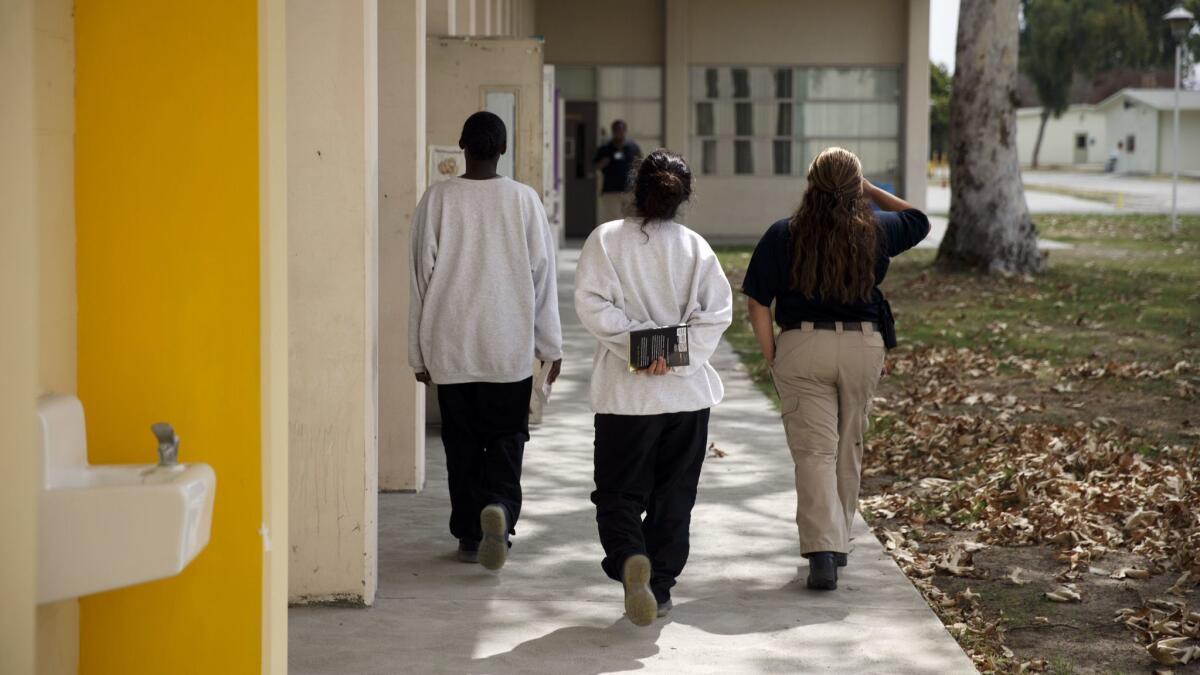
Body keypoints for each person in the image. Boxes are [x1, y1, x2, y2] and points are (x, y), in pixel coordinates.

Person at [741, 147, 929, 591]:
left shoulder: (782, 234)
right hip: (863, 346)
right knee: (848, 445)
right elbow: (919, 219)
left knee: (814, 451)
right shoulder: (878, 229)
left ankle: (822, 551)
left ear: (811, 185)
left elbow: (756, 302)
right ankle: (837, 542)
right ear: (854, 188)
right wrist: (866, 188)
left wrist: (773, 355)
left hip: (803, 344)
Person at [574, 150, 733, 626]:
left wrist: (641, 348)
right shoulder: (696, 248)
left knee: (619, 494)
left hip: (627, 398)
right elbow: (717, 313)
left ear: (635, 188)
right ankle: (658, 585)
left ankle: (629, 560)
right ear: (684, 197)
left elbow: (592, 304)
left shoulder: (605, 240)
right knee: (674, 496)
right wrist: (674, 353)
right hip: (686, 399)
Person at [408, 111, 563, 571]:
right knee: (507, 439)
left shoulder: (437, 199)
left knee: (460, 445)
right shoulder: (524, 200)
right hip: (507, 350)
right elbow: (543, 277)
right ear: (503, 148)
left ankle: (471, 536)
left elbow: (420, 279)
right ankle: (499, 507)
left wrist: (416, 353)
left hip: (451, 348)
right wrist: (549, 346)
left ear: (461, 145)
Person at [593, 120, 642, 224]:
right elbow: (595, 166)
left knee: (632, 221)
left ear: (625, 130)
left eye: (621, 130)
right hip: (611, 191)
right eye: (616, 130)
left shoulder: (633, 148)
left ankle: (630, 240)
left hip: (630, 191)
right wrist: (603, 163)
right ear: (612, 131)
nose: (619, 132)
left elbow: (641, 165)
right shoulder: (605, 148)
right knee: (613, 221)